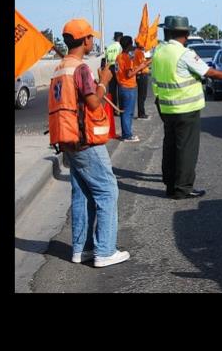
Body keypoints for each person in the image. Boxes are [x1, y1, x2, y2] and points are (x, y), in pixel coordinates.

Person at [48, 19, 130, 268]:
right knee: (107, 191)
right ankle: (105, 251)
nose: (93, 41)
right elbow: (94, 103)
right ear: (85, 40)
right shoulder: (80, 69)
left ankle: (81, 249)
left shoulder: (60, 68)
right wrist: (104, 80)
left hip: (68, 139)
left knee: (82, 193)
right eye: (91, 37)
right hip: (85, 140)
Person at [151, 16, 222, 199]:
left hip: (166, 107)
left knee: (170, 147)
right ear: (185, 34)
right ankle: (183, 188)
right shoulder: (184, 53)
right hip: (186, 108)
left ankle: (170, 185)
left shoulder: (159, 51)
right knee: (186, 149)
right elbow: (208, 72)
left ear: (167, 32)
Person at [116, 36, 150, 142]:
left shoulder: (119, 57)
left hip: (121, 86)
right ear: (129, 45)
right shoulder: (126, 58)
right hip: (128, 87)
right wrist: (141, 67)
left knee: (124, 112)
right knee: (128, 112)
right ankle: (127, 135)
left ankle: (125, 133)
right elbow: (129, 74)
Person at [105, 31, 124, 116]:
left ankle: (113, 110)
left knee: (112, 90)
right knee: (120, 88)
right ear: (120, 38)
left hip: (109, 68)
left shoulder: (109, 47)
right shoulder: (120, 46)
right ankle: (120, 109)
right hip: (117, 67)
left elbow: (105, 59)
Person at [134, 40, 150, 119]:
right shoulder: (139, 52)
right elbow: (143, 64)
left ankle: (141, 112)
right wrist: (150, 60)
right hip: (142, 74)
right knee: (142, 95)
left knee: (141, 95)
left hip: (140, 74)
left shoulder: (136, 51)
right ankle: (141, 113)